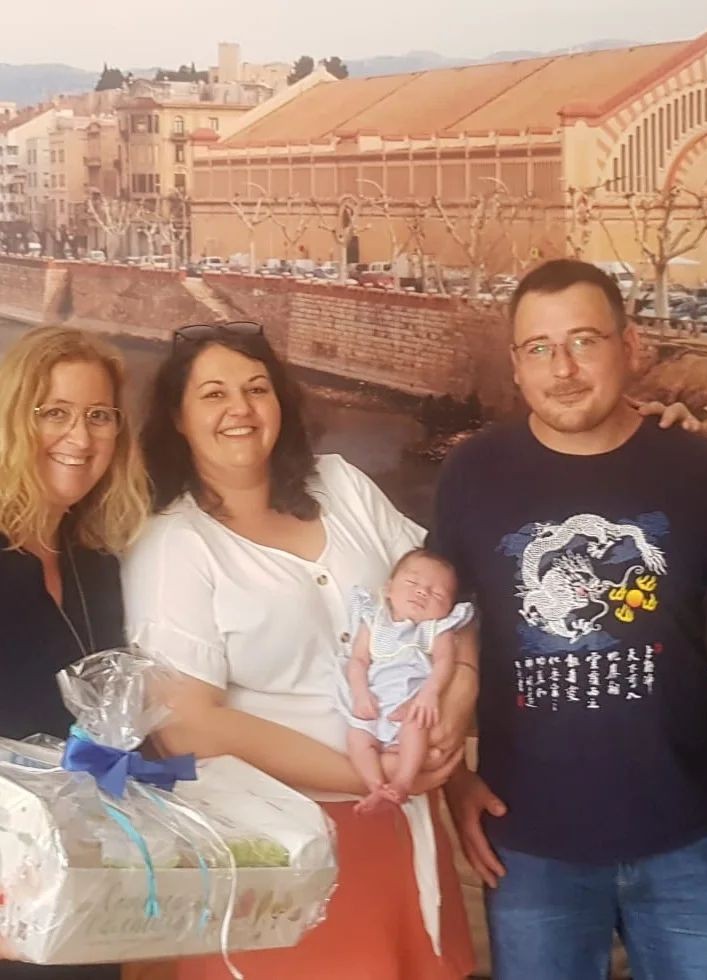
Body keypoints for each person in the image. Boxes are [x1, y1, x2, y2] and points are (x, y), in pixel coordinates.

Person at [431, 260, 707, 980]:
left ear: (630, 345)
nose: (563, 370)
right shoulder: (472, 472)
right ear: (516, 364)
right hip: (529, 842)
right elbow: (443, 636)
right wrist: (453, 777)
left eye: (584, 341)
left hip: (686, 832)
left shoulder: (699, 469)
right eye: (539, 348)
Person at [121, 321, 476, 980]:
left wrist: (459, 696)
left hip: (403, 830)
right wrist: (367, 778)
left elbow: (445, 602)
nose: (240, 408)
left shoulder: (343, 487)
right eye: (213, 394)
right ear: (176, 418)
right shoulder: (172, 547)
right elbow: (186, 727)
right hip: (277, 852)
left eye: (257, 388)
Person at [0, 325, 148, 980]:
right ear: (15, 419)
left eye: (99, 416)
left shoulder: (98, 564)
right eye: (55, 413)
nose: (80, 439)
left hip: (77, 890)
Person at [338, 548, 474, 813]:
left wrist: (429, 694)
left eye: (437, 594)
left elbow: (445, 663)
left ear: (448, 608)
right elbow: (358, 661)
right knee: (357, 737)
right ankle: (375, 785)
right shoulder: (374, 621)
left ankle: (402, 782)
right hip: (374, 702)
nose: (422, 592)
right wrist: (361, 694)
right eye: (412, 582)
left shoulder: (436, 629)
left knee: (416, 727)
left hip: (412, 702)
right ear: (389, 589)